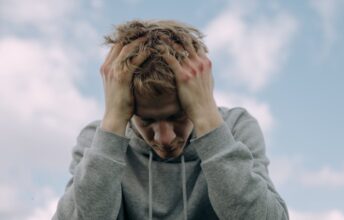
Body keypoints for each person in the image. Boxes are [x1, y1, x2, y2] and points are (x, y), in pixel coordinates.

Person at [53, 20, 289, 220]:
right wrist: (113, 123)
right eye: (146, 121)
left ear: (201, 95)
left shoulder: (236, 127)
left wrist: (208, 121)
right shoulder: (98, 140)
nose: (164, 138)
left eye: (177, 116)